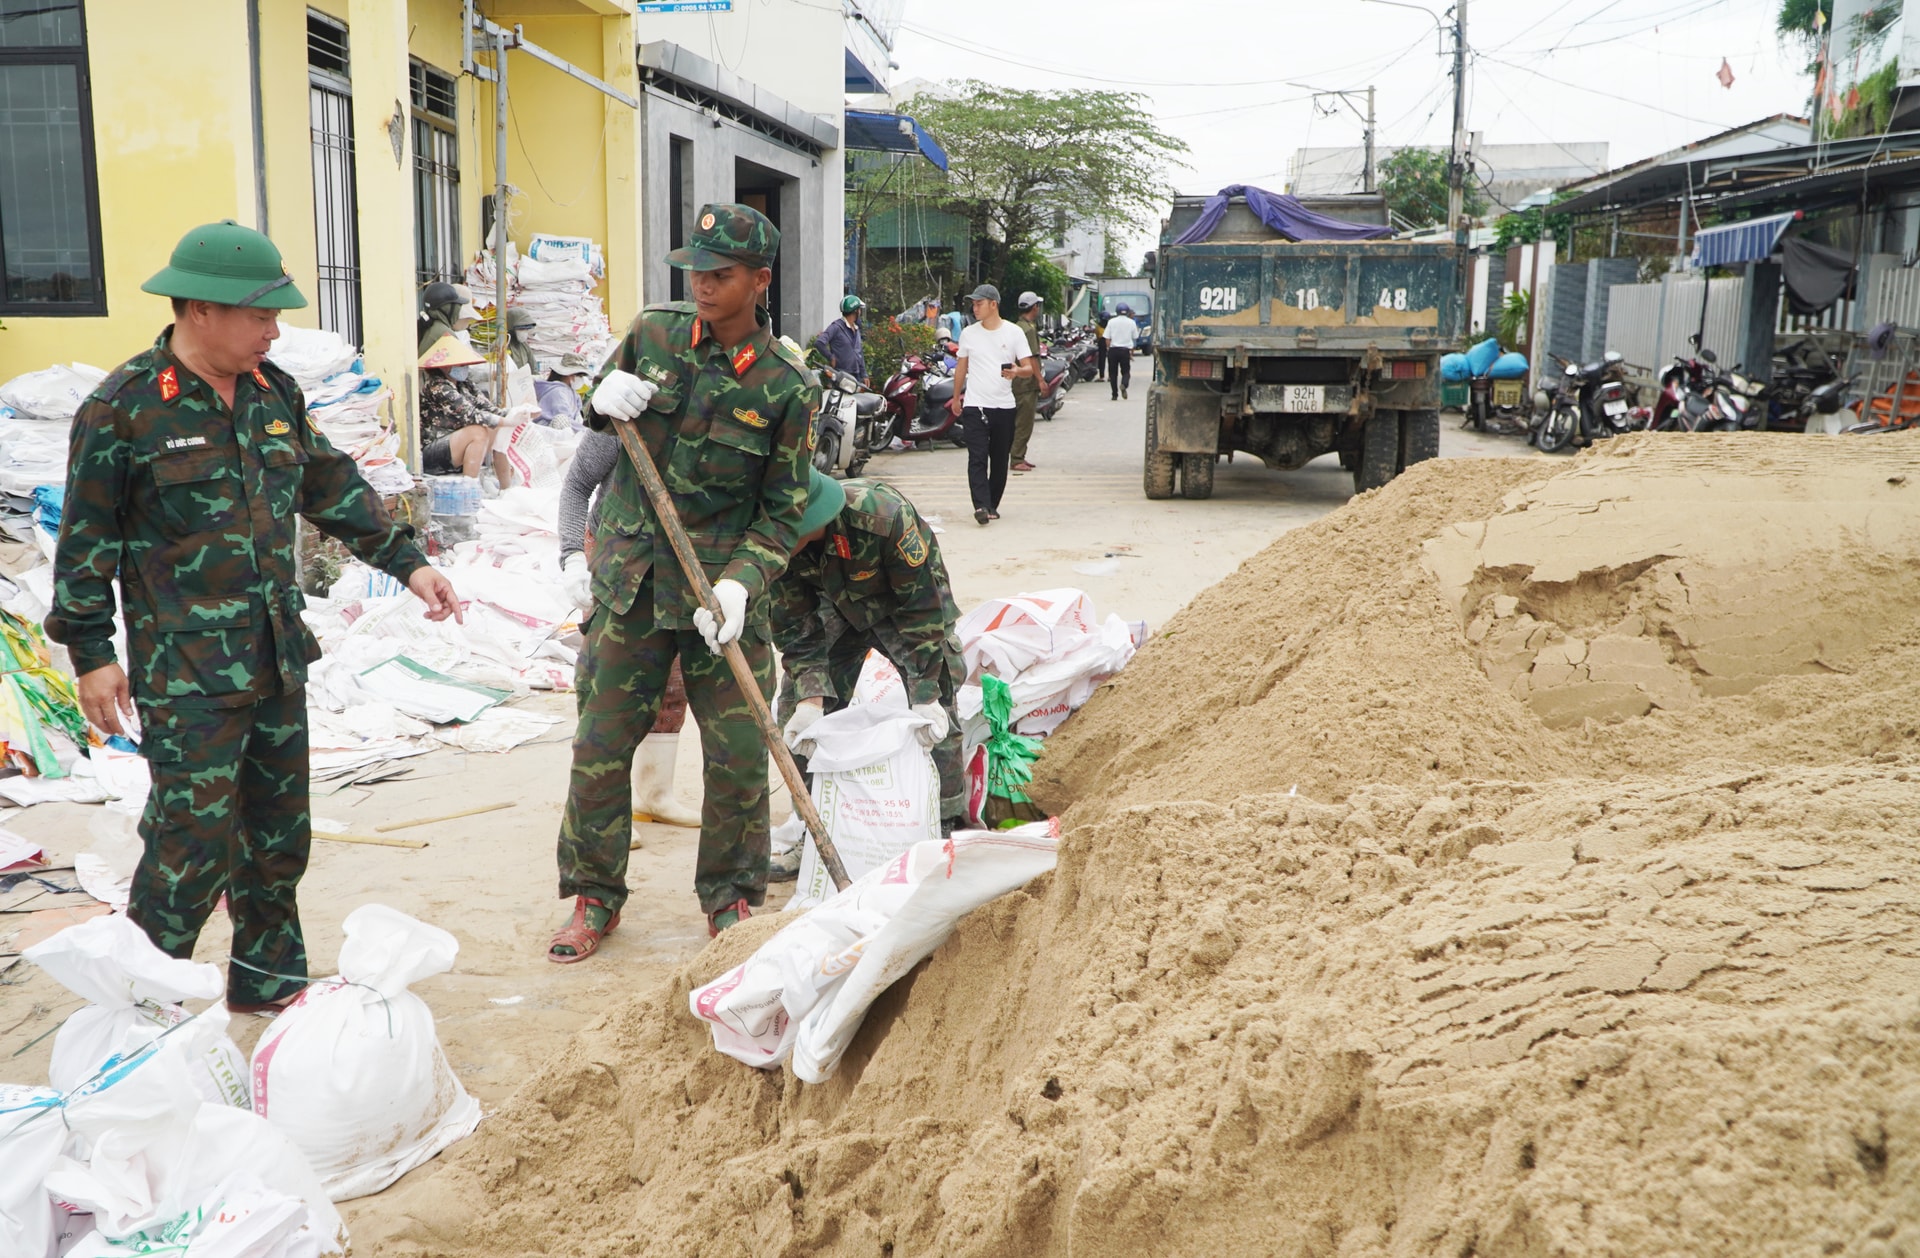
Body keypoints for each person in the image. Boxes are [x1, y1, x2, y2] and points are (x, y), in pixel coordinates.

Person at [46, 220, 462, 1015]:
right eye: (260, 315)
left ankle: (269, 986)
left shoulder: (275, 393)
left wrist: (410, 563)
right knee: (188, 848)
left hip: (276, 658)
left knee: (277, 840)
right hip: (188, 675)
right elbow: (86, 542)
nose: (275, 331)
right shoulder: (124, 409)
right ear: (199, 310)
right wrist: (93, 653)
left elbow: (330, 484)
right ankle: (139, 1006)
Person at [551, 202, 816, 960]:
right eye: (695, 271)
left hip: (718, 599)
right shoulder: (654, 333)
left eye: (721, 275)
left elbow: (783, 514)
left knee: (736, 755)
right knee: (600, 747)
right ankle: (592, 898)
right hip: (631, 583)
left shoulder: (787, 386)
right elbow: (596, 413)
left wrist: (741, 586)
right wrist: (597, 404)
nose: (702, 285)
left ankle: (731, 899)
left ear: (759, 281)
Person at [773, 469, 965, 861]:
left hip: (903, 605)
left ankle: (945, 827)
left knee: (938, 711)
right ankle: (814, 831)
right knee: (794, 711)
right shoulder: (776, 547)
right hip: (836, 608)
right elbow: (798, 629)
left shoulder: (882, 516)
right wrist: (811, 701)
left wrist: (924, 690)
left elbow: (922, 609)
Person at [557, 429, 697, 828]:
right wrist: (570, 555)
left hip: (677, 562)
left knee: (672, 681)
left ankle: (655, 795)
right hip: (616, 556)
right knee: (610, 684)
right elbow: (577, 487)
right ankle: (606, 809)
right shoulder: (624, 410)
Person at [947, 284, 1039, 527]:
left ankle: (992, 505)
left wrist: (1017, 371)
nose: (974, 308)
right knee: (977, 457)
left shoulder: (1013, 333)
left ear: (993, 304)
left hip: (1004, 406)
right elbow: (962, 367)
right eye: (973, 304)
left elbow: (1028, 367)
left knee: (999, 460)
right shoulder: (969, 333)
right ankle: (980, 505)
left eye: (979, 303)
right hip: (975, 405)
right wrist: (957, 397)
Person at [418, 335, 514, 485]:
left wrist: (515, 414)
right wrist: (506, 420)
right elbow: (469, 414)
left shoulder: (465, 384)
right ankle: (469, 488)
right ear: (444, 366)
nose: (464, 368)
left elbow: (487, 408)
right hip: (432, 452)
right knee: (478, 431)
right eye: (461, 364)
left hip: (456, 445)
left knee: (499, 428)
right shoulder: (437, 386)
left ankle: (506, 488)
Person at [1010, 291, 1045, 473]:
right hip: (1026, 384)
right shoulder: (1029, 330)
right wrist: (1040, 380)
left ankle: (1017, 455)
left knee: (1016, 422)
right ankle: (1017, 459)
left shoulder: (1017, 327)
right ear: (1034, 307)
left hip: (1016, 382)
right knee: (1024, 423)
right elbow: (1031, 358)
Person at [815, 295, 867, 384]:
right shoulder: (836, 327)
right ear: (855, 311)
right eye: (859, 309)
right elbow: (819, 342)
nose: (860, 312)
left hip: (856, 375)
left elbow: (859, 353)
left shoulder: (856, 328)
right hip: (841, 376)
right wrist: (831, 357)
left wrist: (864, 374)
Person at [1105, 304, 1141, 401]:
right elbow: (1135, 337)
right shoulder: (1131, 322)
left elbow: (1107, 338)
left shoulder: (1111, 322)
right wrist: (1132, 351)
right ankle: (1124, 384)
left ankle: (1114, 395)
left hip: (1113, 350)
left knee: (1113, 374)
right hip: (1125, 350)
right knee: (1126, 372)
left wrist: (1109, 349)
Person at [505, 306, 538, 371]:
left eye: (527, 329)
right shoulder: (501, 345)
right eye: (521, 329)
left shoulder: (524, 345)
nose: (525, 332)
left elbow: (533, 368)